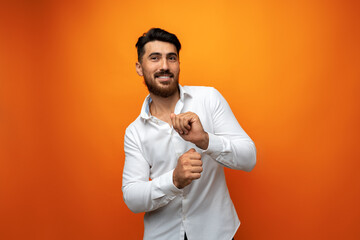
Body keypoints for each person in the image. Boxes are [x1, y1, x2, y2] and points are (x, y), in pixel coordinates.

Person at [122, 28, 256, 240]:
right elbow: (132, 198)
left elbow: (249, 158)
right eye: (154, 58)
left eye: (171, 58)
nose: (164, 66)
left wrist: (205, 140)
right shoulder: (135, 132)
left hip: (217, 232)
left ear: (178, 64)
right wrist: (173, 180)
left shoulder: (209, 99)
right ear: (140, 67)